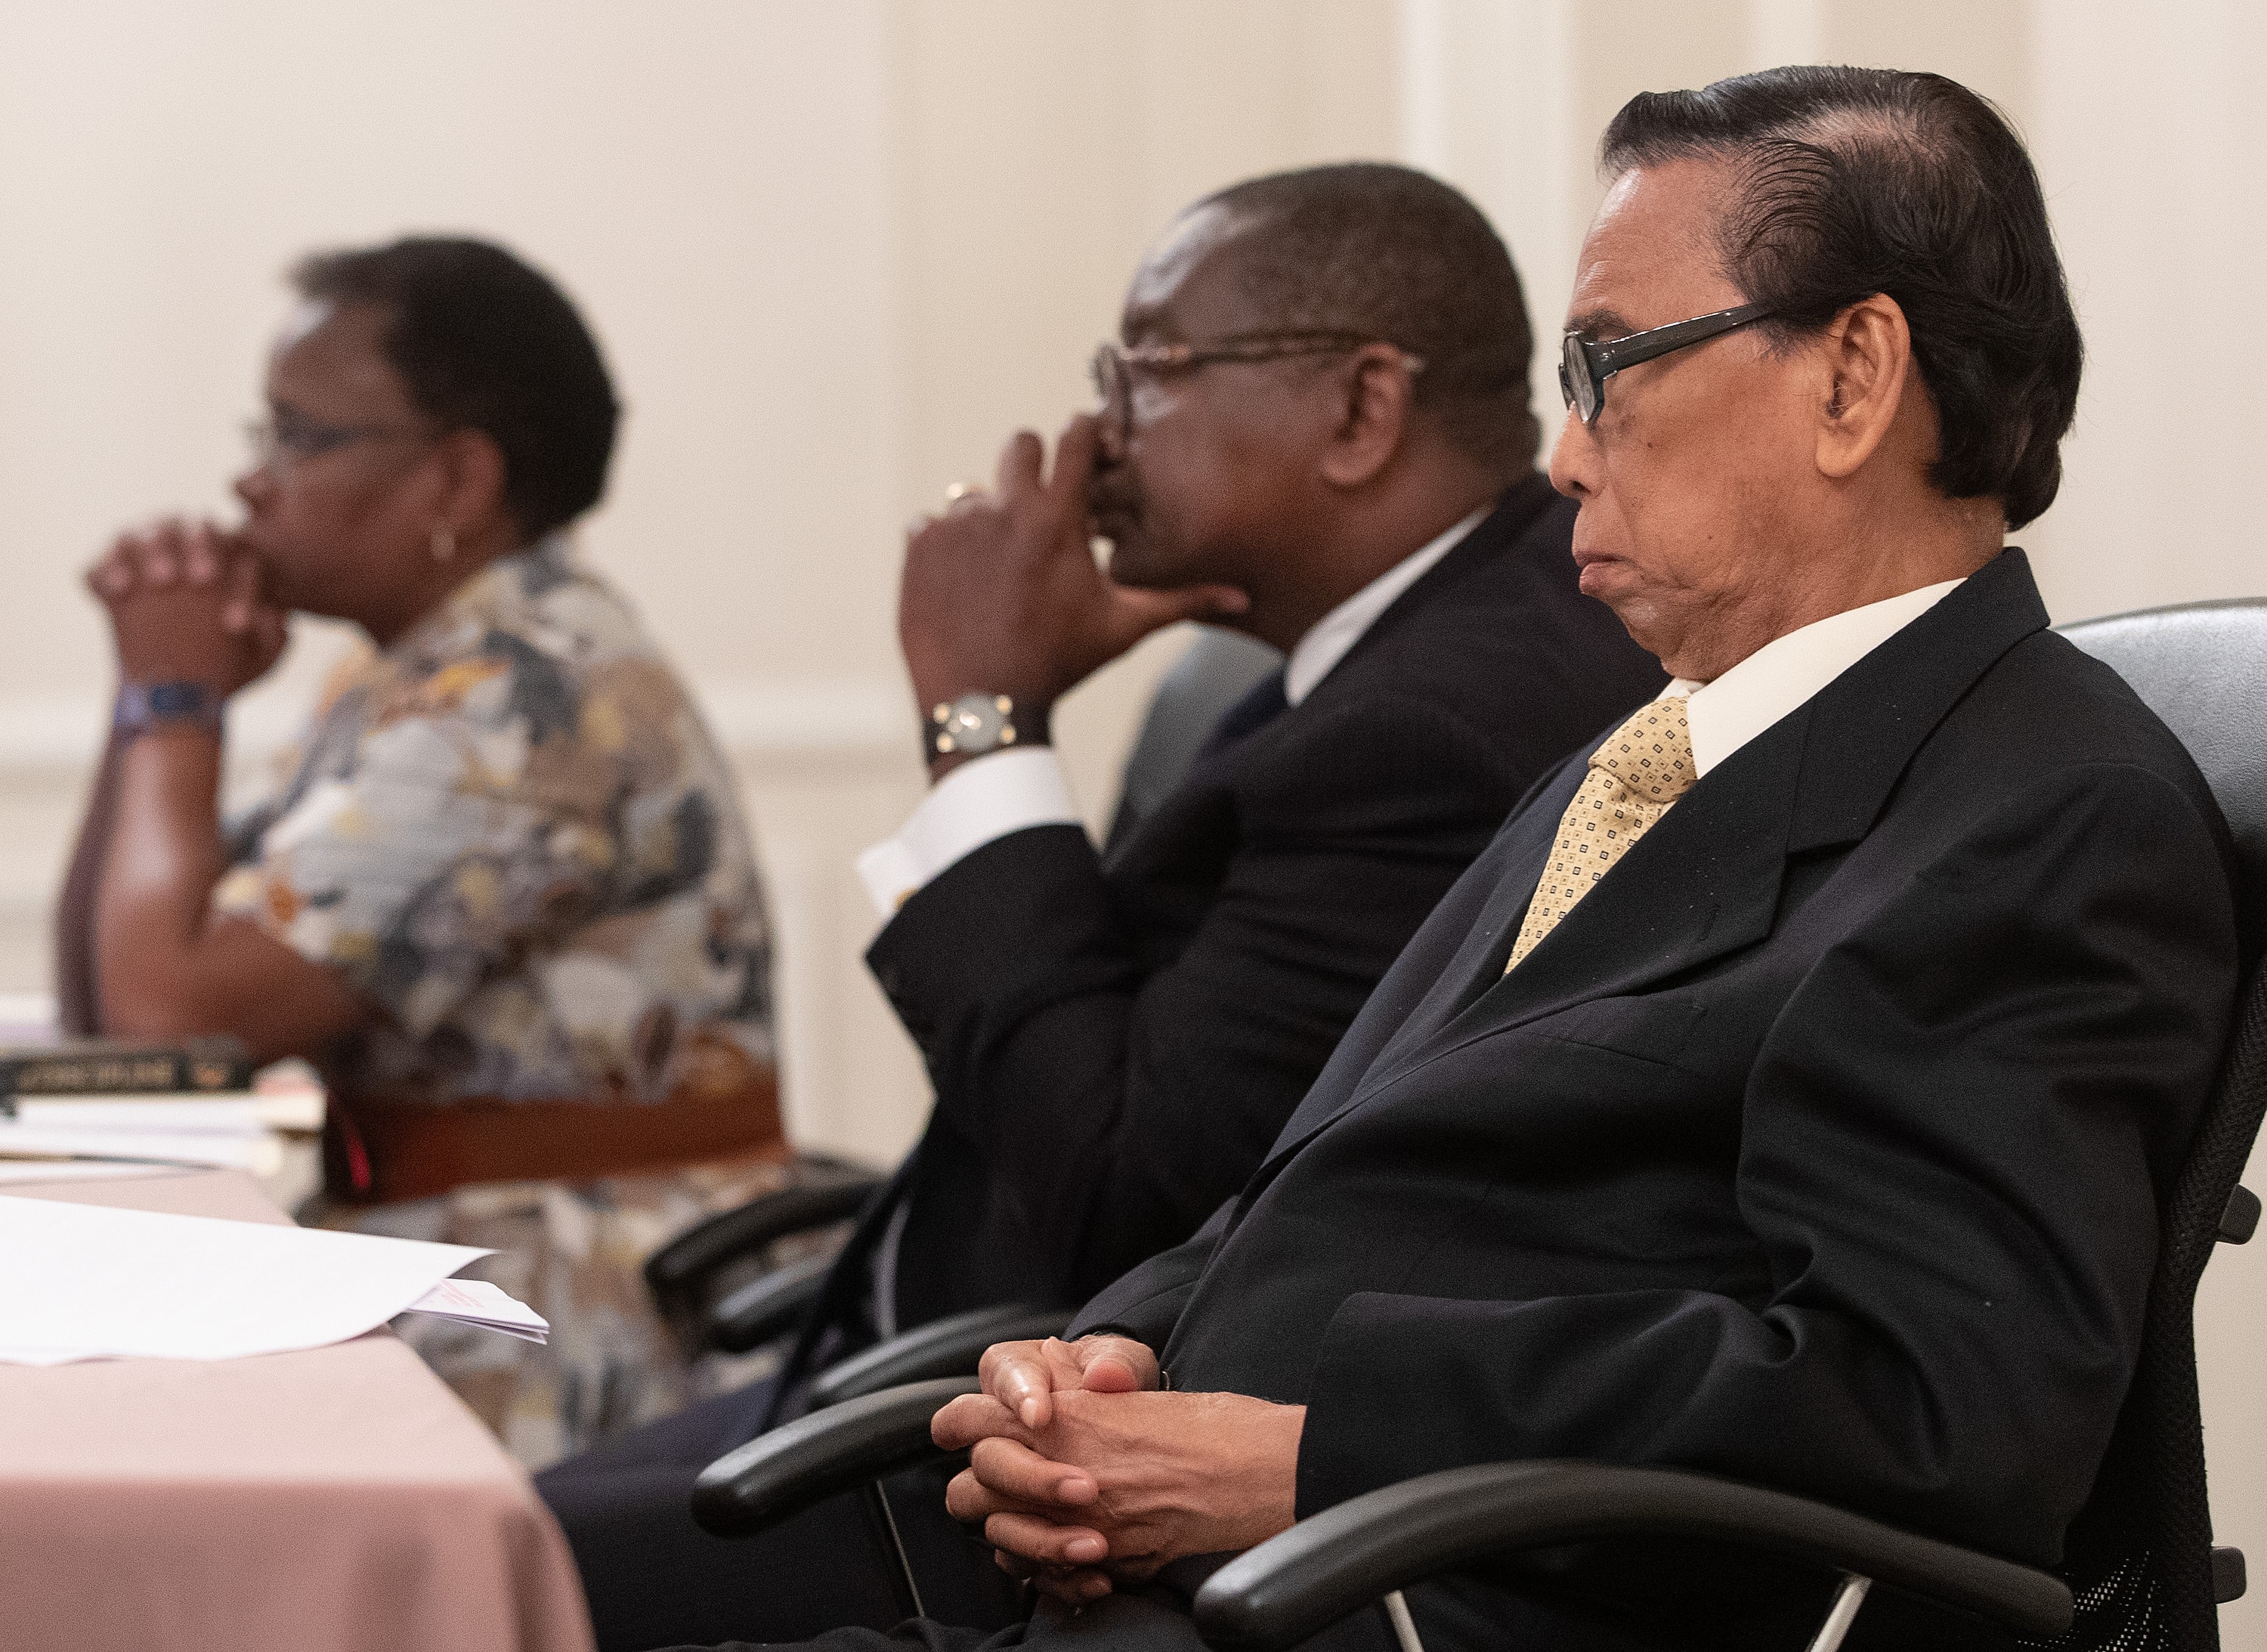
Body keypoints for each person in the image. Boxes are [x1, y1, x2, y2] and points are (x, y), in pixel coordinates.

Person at [670, 65, 2244, 1652]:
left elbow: (1931, 1407)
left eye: (1605, 368)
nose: (1562, 458)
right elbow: (1338, 1176)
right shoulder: (1651, 749)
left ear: (1851, 377)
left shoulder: (2046, 813)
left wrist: (1305, 1458)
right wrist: (1103, 1361)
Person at [539, 163, 1664, 1650]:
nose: (1090, 441)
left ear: (1359, 410)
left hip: (1098, 1475)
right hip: (971, 1387)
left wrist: (982, 725)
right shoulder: (1357, 665)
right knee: (441, 1528)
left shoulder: (1438, 719)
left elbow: (1118, 1189)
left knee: (453, 1564)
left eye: (1145, 372)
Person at [54, 237, 788, 1462]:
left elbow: (161, 1022)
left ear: (457, 479)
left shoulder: (518, 697)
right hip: (453, 1242)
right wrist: (157, 703)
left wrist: (174, 701)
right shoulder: (423, 668)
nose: (250, 485)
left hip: (568, 1307)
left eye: (297, 438)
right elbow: (121, 1007)